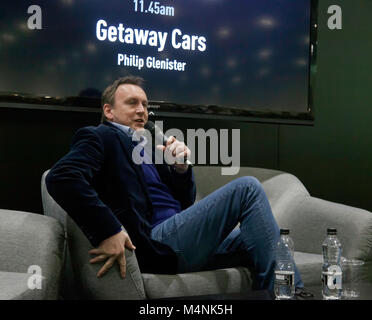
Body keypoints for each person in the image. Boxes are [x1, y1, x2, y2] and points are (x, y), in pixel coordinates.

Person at [46, 75, 308, 294]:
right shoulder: (100, 136)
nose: (142, 110)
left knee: (262, 236)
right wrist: (109, 230)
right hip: (156, 240)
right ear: (109, 111)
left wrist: (180, 169)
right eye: (132, 103)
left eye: (145, 105)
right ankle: (288, 295)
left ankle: (280, 292)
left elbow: (184, 202)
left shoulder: (148, 146)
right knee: (247, 188)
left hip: (179, 232)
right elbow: (62, 177)